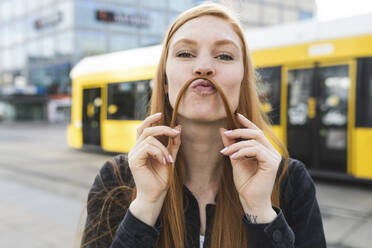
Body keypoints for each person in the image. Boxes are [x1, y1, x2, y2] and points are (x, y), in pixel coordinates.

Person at [81, 3, 326, 248]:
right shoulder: (115, 178)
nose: (204, 67)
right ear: (164, 81)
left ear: (243, 81)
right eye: (185, 53)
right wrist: (146, 205)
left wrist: (260, 212)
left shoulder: (290, 181)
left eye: (224, 56)